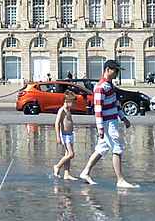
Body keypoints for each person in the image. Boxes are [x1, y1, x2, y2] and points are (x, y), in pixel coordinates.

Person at [78, 59, 137, 188]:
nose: (117, 73)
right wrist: (100, 127)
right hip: (107, 123)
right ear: (108, 70)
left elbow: (116, 103)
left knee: (102, 148)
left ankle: (85, 172)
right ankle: (120, 180)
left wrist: (123, 118)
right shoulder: (100, 87)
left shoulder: (110, 85)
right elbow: (98, 109)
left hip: (111, 121)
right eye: (115, 71)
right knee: (117, 148)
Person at [52, 90, 78, 180]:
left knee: (67, 154)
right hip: (65, 135)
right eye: (73, 103)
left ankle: (67, 174)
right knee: (71, 154)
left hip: (70, 134)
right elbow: (57, 123)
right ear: (66, 101)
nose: (74, 105)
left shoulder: (68, 110)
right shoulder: (62, 110)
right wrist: (58, 136)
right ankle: (57, 166)